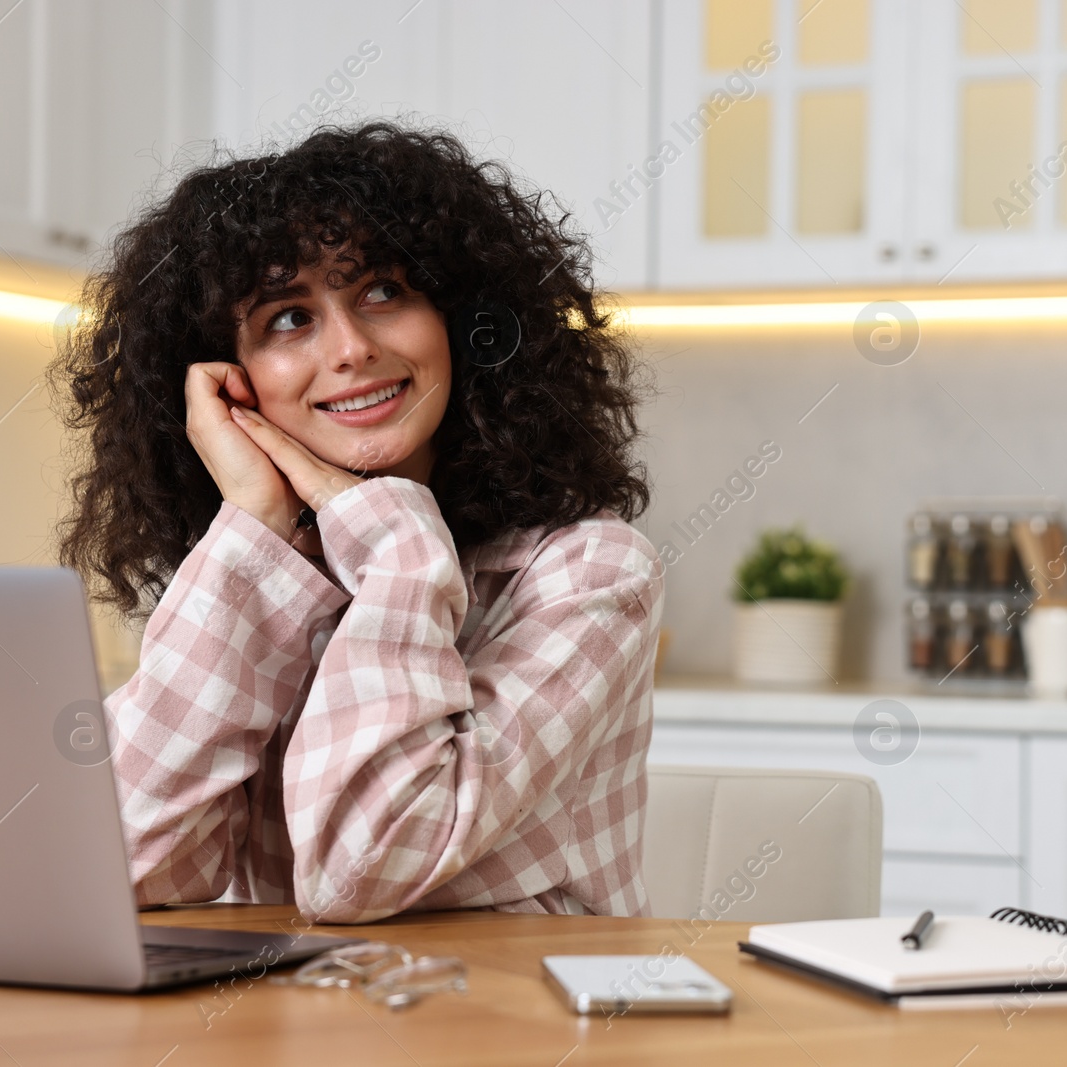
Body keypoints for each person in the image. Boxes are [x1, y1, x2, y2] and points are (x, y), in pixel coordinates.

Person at [51, 121, 661, 923]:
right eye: (287, 318)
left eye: (382, 291)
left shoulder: (592, 572)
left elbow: (361, 871)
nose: (349, 349)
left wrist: (398, 549)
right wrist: (255, 525)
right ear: (232, 380)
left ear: (460, 320)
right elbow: (122, 862)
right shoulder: (262, 571)